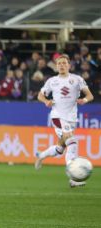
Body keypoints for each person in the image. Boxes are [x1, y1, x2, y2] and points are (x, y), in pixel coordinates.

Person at [34, 54, 94, 187]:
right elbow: (40, 95)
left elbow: (90, 95)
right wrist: (46, 101)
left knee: (61, 148)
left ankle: (41, 155)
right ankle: (73, 178)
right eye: (59, 63)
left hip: (71, 118)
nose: (61, 65)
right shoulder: (52, 81)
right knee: (72, 141)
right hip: (57, 116)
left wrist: (83, 100)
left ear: (69, 65)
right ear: (56, 66)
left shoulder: (77, 79)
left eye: (64, 63)